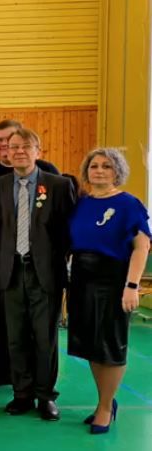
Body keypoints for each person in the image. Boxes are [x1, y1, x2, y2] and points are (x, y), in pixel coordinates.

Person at [0, 128, 75, 421]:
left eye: (26, 146)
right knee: (16, 337)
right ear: (6, 152)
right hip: (10, 272)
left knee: (45, 338)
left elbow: (68, 231)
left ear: (38, 151)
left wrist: (55, 261)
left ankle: (45, 396)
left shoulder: (58, 185)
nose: (19, 151)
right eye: (13, 147)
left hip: (45, 273)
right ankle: (21, 393)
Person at [67, 148, 150, 434]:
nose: (100, 170)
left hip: (113, 280)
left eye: (107, 166)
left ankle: (105, 407)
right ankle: (104, 400)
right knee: (91, 344)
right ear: (86, 171)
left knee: (111, 345)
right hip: (81, 278)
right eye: (94, 166)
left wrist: (131, 286)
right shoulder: (82, 203)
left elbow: (141, 247)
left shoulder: (129, 204)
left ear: (117, 172)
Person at [0, 119, 60, 388]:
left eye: (10, 139)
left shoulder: (49, 174)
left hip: (38, 266)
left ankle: (39, 382)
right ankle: (3, 370)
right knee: (0, 322)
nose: (6, 145)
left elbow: (61, 223)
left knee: (40, 328)